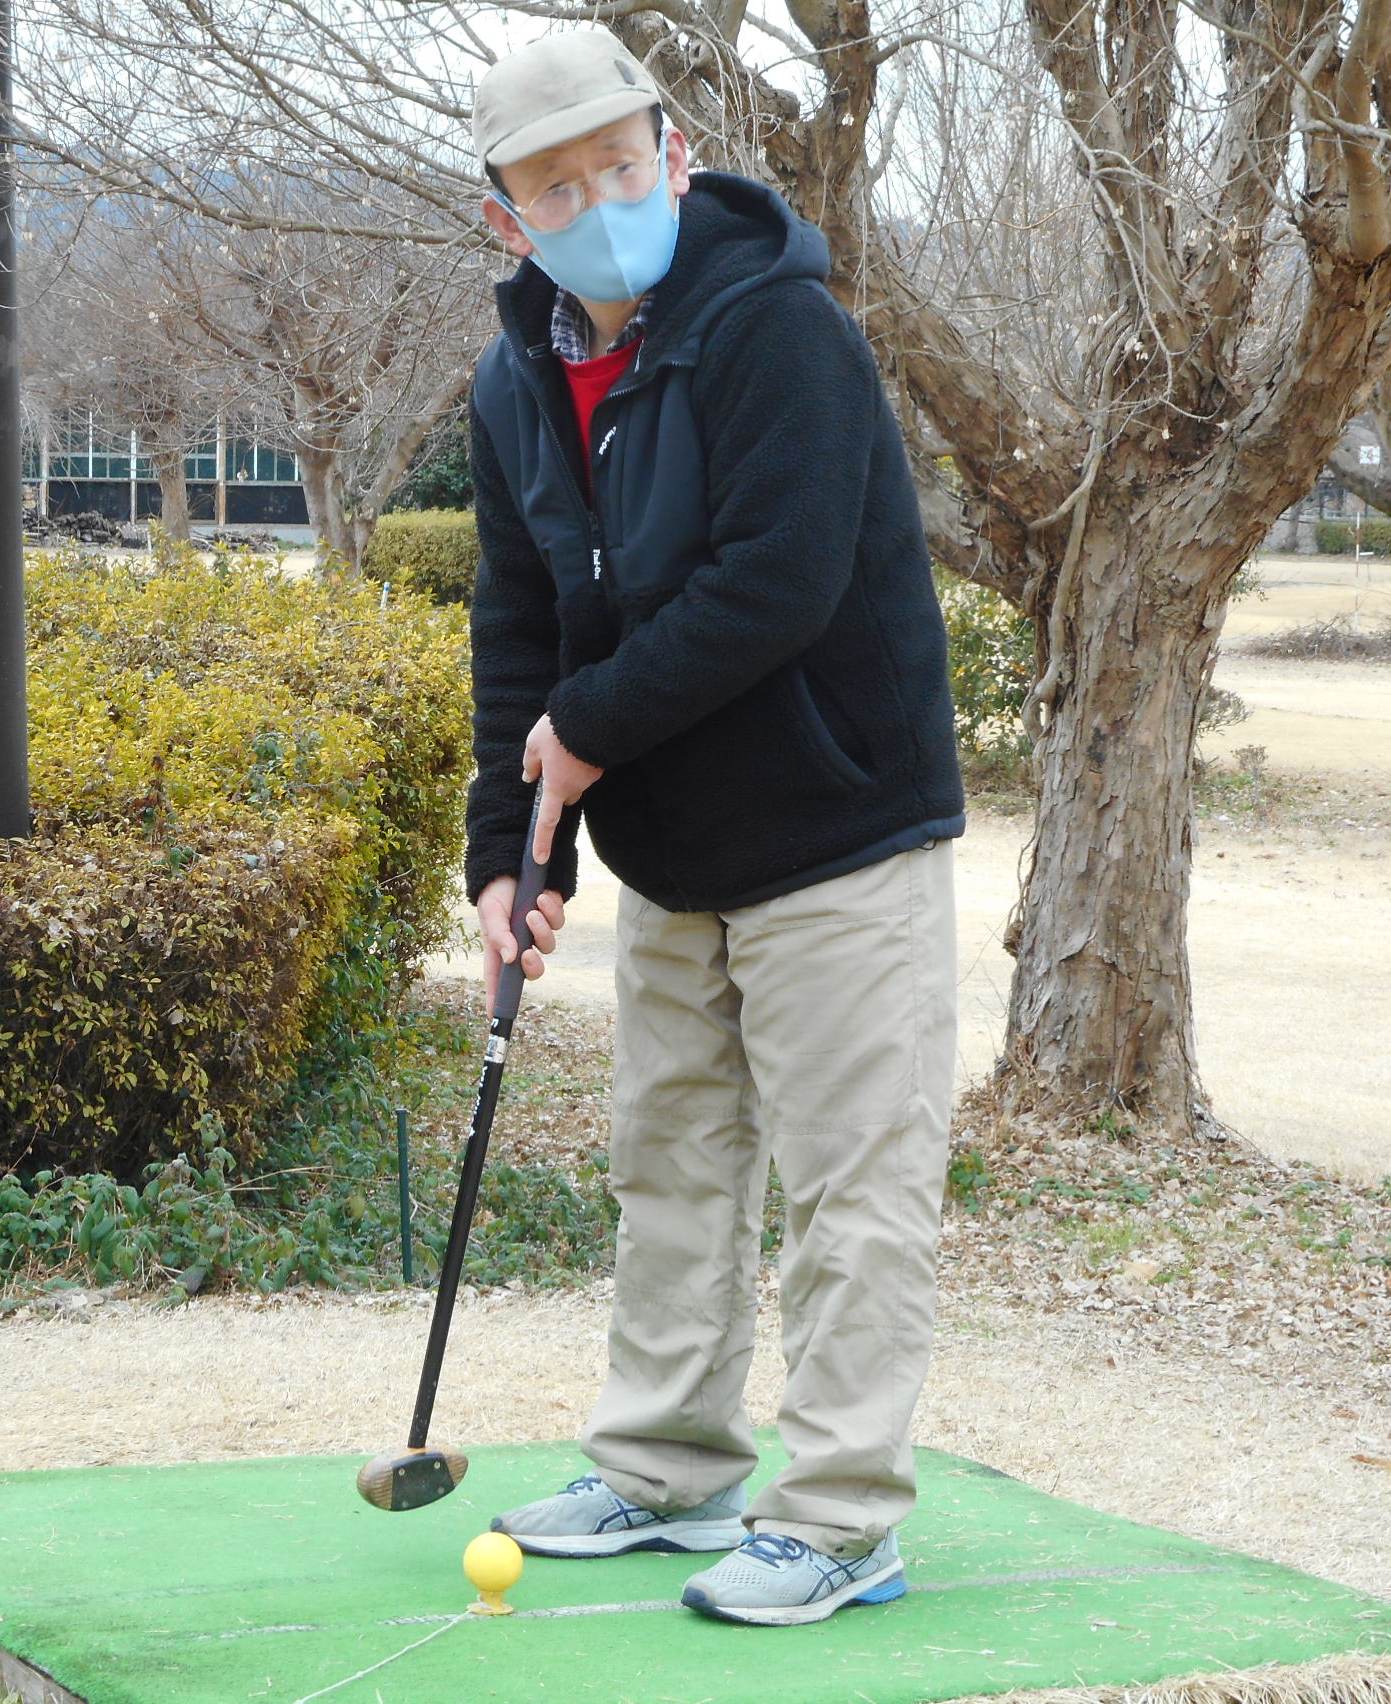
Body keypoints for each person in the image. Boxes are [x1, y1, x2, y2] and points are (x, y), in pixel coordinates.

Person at [460, 29, 965, 1629]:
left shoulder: (779, 329)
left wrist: (588, 734)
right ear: (509, 218)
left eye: (622, 164)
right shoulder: (514, 383)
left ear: (674, 154)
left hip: (841, 829)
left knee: (851, 1187)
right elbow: (520, 624)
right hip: (674, 851)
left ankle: (841, 1519)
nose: (600, 201)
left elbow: (779, 580)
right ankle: (669, 1469)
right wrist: (509, 851)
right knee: (671, 1165)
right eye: (559, 186)